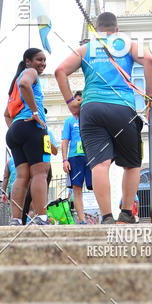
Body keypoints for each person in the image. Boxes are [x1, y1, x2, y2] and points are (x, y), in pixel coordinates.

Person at [54, 11, 152, 225]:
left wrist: (71, 101)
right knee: (132, 164)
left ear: (96, 31)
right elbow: (149, 59)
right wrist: (149, 93)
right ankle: (126, 214)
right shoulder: (126, 44)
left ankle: (107, 216)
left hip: (91, 109)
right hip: (122, 108)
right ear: (116, 30)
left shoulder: (86, 48)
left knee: (99, 165)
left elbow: (60, 70)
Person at [4, 47, 52, 226]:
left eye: (44, 60)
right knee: (40, 172)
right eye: (39, 59)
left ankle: (15, 219)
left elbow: (6, 114)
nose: (43, 64)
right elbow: (25, 84)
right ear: (28, 61)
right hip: (32, 127)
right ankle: (42, 217)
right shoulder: (29, 73)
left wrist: (17, 127)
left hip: (15, 130)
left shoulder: (13, 83)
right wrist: (34, 112)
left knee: (22, 176)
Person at [61, 91, 92, 223]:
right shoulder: (69, 121)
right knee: (77, 189)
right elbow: (65, 141)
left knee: (96, 185)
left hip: (91, 156)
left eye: (81, 100)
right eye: (77, 100)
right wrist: (64, 160)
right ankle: (82, 220)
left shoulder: (91, 118)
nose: (79, 103)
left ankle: (105, 214)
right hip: (75, 158)